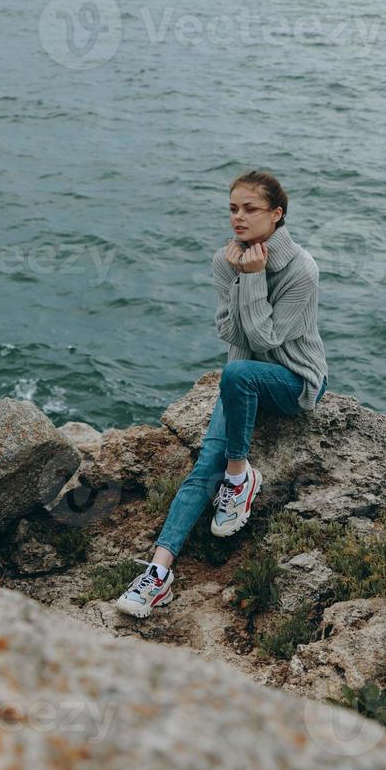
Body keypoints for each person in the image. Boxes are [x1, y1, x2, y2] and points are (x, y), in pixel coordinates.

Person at [115, 169, 329, 618]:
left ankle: (240, 476)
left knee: (236, 376)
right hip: (242, 380)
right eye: (233, 208)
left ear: (277, 214)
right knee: (201, 468)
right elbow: (230, 333)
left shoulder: (301, 270)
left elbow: (267, 341)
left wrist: (251, 279)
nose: (238, 217)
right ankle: (157, 575)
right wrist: (237, 276)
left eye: (250, 209)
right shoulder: (224, 260)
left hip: (293, 381)